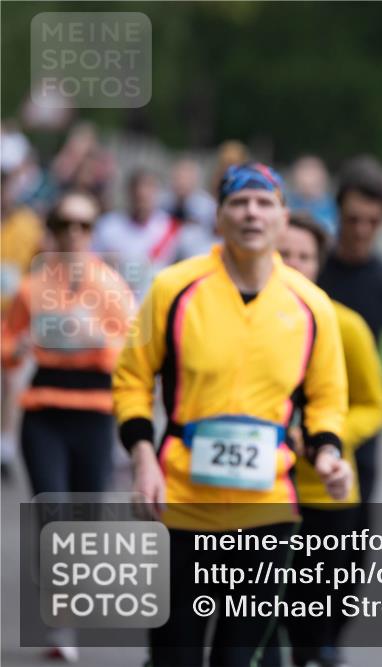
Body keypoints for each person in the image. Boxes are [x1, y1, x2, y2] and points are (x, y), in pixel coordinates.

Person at [113, 162, 353, 667]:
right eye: (238, 202)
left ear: (284, 217)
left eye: (265, 202)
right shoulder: (173, 289)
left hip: (267, 509)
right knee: (173, 655)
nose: (252, 213)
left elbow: (328, 397)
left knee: (238, 657)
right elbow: (133, 376)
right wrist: (141, 457)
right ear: (218, 216)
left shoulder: (312, 305)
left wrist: (329, 452)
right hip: (180, 501)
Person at [2, 190, 133, 661]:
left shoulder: (112, 286)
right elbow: (8, 336)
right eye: (64, 225)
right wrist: (16, 348)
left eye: (83, 226)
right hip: (45, 411)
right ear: (52, 232)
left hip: (94, 412)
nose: (74, 234)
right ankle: (60, 621)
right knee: (52, 510)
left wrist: (94, 340)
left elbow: (131, 349)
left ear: (93, 233)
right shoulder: (32, 286)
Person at [278, 211, 382, 667]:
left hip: (326, 490)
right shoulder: (242, 322)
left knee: (318, 614)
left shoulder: (345, 326)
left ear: (319, 264)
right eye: (283, 253)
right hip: (260, 490)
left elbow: (374, 406)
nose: (293, 264)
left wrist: (327, 438)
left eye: (304, 256)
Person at [316, 155, 382, 504]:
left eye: (373, 221)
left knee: (351, 532)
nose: (362, 229)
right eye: (353, 219)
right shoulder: (310, 268)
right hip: (304, 410)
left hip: (359, 415)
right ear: (337, 212)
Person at [0, 158, 46, 480]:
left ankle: (5, 448)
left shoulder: (29, 225)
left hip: (14, 316)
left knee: (9, 381)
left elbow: (41, 265)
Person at [92, 168, 178, 296]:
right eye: (137, 188)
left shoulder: (171, 229)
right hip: (115, 303)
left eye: (149, 187)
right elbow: (90, 264)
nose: (142, 193)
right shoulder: (108, 226)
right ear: (129, 192)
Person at [162, 157, 218, 261]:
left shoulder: (207, 207)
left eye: (186, 178)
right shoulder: (163, 205)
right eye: (178, 177)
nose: (181, 182)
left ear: (194, 180)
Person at [287, 155, 338, 235]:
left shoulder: (334, 209)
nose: (307, 180)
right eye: (304, 172)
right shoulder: (288, 205)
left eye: (311, 174)